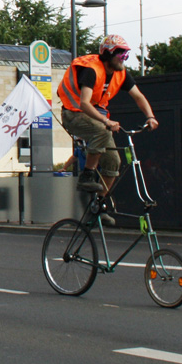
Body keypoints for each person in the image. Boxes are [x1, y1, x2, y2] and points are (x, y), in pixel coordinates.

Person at [59, 35, 159, 224]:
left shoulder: (122, 74)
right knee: (103, 131)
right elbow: (85, 103)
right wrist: (106, 121)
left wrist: (150, 116)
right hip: (74, 114)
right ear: (107, 54)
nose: (124, 60)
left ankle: (98, 206)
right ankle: (87, 175)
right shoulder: (91, 70)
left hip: (95, 117)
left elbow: (138, 96)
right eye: (121, 56)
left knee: (114, 161)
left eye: (126, 56)